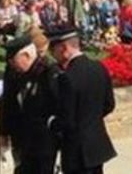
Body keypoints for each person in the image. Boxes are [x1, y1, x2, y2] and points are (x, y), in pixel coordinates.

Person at [47, 27, 116, 174]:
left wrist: (51, 122)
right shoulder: (99, 67)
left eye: (53, 50)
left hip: (76, 151)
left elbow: (67, 120)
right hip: (96, 145)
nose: (53, 56)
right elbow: (109, 104)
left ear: (64, 48)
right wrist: (90, 118)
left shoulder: (67, 78)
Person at [0, 34, 59, 174]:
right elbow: (8, 102)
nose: (12, 65)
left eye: (14, 60)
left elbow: (58, 106)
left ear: (26, 56)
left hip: (43, 141)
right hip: (22, 138)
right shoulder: (14, 72)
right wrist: (4, 132)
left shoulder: (48, 71)